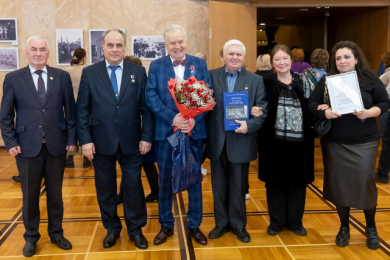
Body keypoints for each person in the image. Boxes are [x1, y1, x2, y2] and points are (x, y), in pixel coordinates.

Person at [76, 29, 154, 250]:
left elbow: (146, 108)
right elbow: (82, 110)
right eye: (110, 45)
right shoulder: (90, 73)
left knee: (133, 187)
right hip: (100, 143)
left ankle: (136, 229)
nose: (114, 49)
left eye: (119, 45)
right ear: (102, 47)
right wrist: (85, 140)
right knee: (105, 189)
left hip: (132, 141)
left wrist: (147, 136)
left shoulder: (138, 72)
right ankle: (112, 228)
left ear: (124, 47)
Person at [308, 40, 390, 250]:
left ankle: (371, 227)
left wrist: (369, 112)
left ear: (356, 59)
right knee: (339, 186)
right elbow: (311, 104)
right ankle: (344, 227)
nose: (342, 61)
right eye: (338, 58)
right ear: (334, 61)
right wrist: (323, 111)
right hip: (335, 143)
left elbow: (384, 102)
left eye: (346, 57)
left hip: (365, 142)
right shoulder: (328, 80)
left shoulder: (369, 78)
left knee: (365, 184)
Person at [0, 35, 76, 257]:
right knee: (30, 195)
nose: (38, 53)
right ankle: (31, 236)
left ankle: (56, 233)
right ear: (26, 53)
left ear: (48, 53)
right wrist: (10, 142)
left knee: (55, 194)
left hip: (56, 145)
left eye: (42, 49)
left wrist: (72, 139)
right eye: (33, 49)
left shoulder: (61, 77)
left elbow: (69, 111)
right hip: (26, 147)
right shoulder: (13, 78)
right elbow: (5, 115)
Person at [145, 24, 212, 246]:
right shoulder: (156, 65)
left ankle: (194, 225)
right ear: (166, 45)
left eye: (180, 41)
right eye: (172, 42)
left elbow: (207, 97)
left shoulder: (199, 63)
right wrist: (172, 118)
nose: (177, 46)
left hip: (194, 131)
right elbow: (151, 96)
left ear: (186, 41)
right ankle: (166, 224)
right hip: (166, 132)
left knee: (194, 179)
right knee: (165, 180)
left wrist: (193, 119)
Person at [206, 39, 267, 243]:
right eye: (230, 54)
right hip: (217, 141)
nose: (234, 57)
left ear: (243, 57)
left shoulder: (255, 80)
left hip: (241, 140)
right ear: (223, 56)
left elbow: (262, 110)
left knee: (238, 187)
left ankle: (239, 225)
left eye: (238, 55)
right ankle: (221, 224)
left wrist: (249, 125)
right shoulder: (211, 75)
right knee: (219, 186)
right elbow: (203, 106)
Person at [257, 44, 314, 237]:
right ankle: (276, 222)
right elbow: (255, 103)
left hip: (299, 143)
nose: (281, 63)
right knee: (275, 182)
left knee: (298, 181)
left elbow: (312, 107)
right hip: (273, 142)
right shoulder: (265, 82)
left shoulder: (303, 82)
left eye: (285, 59)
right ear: (272, 63)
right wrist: (253, 109)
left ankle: (295, 222)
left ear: (291, 60)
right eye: (277, 59)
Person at [116, 55, 159, 204]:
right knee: (143, 165)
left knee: (135, 166)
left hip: (141, 132)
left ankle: (125, 194)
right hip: (143, 131)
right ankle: (155, 191)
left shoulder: (139, 82)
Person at [63, 48, 92, 169]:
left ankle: (70, 158)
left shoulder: (66, 71)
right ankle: (86, 158)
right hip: (86, 106)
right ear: (84, 57)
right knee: (86, 129)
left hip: (70, 105)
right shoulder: (88, 70)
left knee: (71, 130)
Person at [375, 52, 390, 183]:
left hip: (388, 111)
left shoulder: (386, 75)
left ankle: (383, 173)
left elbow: (385, 95)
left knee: (387, 143)